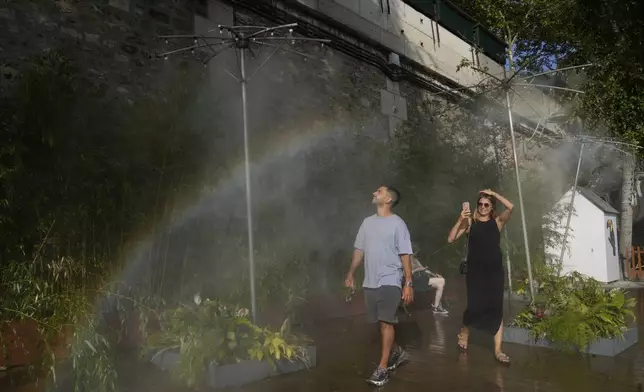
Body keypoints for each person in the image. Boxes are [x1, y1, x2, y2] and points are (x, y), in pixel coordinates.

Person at [344, 185, 414, 386]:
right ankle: (397, 352)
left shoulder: (397, 224)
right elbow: (359, 250)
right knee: (379, 322)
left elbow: (405, 254)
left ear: (388, 199)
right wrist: (350, 273)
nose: (374, 192)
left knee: (386, 322)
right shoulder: (367, 223)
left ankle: (382, 369)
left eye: (379, 191)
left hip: (390, 279)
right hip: (370, 281)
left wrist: (408, 283)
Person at [447, 189, 513, 364]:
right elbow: (451, 239)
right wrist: (460, 219)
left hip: (494, 271)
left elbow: (511, 207)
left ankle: (498, 350)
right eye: (480, 204)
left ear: (491, 207)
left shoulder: (497, 222)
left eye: (486, 204)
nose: (483, 207)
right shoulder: (470, 223)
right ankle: (465, 331)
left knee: (496, 307)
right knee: (475, 305)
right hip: (476, 271)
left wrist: (493, 193)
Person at [411, 249, 449, 314]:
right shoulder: (407, 260)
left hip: (423, 279)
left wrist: (435, 275)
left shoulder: (415, 259)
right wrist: (419, 269)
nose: (416, 254)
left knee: (440, 285)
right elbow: (410, 272)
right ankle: (437, 306)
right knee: (442, 281)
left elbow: (425, 270)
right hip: (417, 281)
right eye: (415, 252)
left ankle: (436, 307)